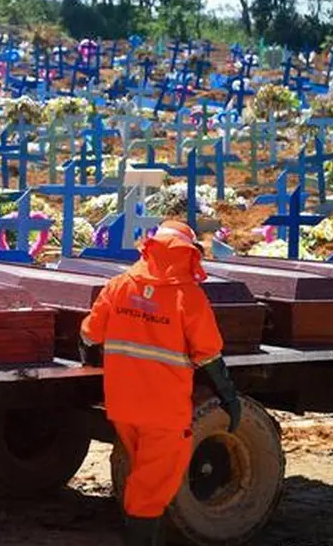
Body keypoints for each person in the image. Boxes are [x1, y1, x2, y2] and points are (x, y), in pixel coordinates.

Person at [79, 220, 242, 546]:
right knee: (154, 486)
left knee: (142, 473)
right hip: (164, 411)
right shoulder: (189, 297)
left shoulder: (120, 285)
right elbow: (208, 354)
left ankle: (137, 528)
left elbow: (89, 334)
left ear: (150, 248)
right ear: (188, 255)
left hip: (123, 405)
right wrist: (228, 395)